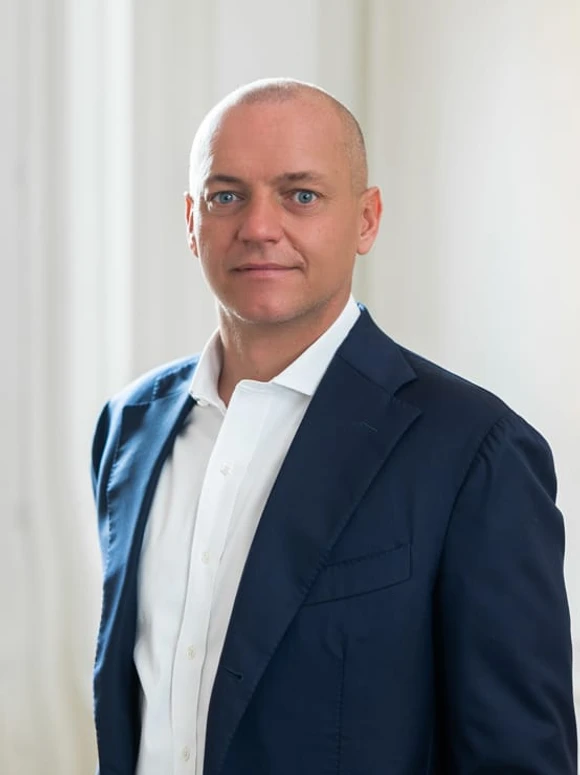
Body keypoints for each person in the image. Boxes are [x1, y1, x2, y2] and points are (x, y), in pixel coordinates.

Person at [91, 78, 576, 775]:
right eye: (227, 195)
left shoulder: (475, 453)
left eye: (301, 195)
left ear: (367, 219)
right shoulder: (127, 429)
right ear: (191, 220)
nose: (259, 226)